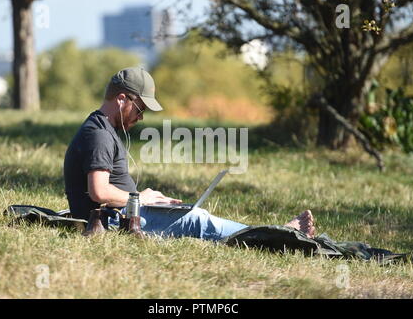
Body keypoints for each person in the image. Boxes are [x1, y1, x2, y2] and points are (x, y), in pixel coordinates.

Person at [63, 67, 316, 240]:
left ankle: (271, 233)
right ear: (121, 99)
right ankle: (278, 235)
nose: (140, 117)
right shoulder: (98, 134)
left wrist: (144, 198)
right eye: (139, 109)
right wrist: (141, 199)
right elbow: (99, 192)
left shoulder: (103, 129)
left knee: (194, 216)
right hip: (114, 221)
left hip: (123, 215)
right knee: (198, 221)